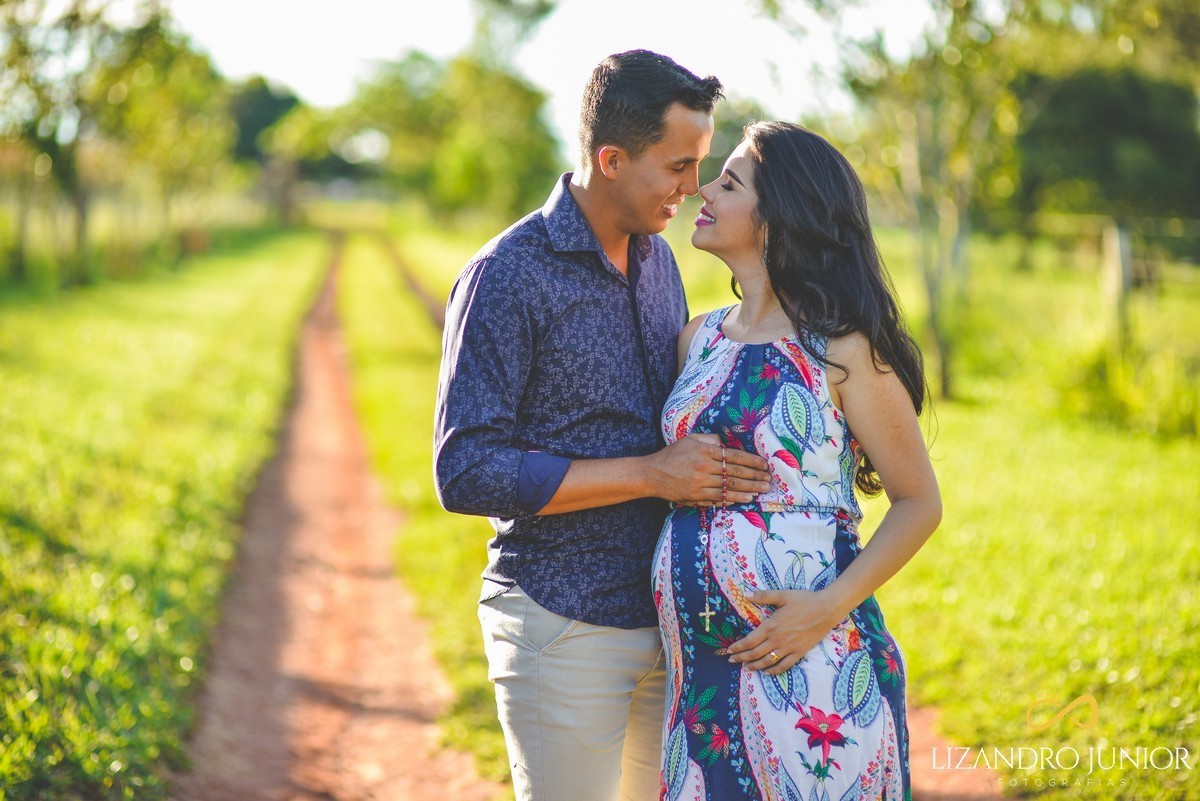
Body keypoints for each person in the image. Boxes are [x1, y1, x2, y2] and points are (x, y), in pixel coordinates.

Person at [434, 51, 772, 801]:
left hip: (671, 621)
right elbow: (466, 470)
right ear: (611, 159)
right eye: (678, 166)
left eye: (702, 165)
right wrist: (652, 474)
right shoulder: (507, 274)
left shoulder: (661, 262)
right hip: (562, 620)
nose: (695, 186)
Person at [653, 121, 942, 801]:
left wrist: (825, 609)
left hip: (816, 668)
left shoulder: (843, 351)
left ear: (779, 217)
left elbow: (919, 502)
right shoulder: (696, 340)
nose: (704, 191)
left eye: (729, 183)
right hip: (699, 678)